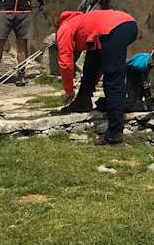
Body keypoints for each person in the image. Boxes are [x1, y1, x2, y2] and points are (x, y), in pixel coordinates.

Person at [56, 9, 139, 145]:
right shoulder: (81, 21)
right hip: (125, 24)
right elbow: (96, 64)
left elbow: (65, 63)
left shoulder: (64, 28)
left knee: (113, 80)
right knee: (92, 57)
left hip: (116, 28)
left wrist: (69, 89)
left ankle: (115, 133)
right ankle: (83, 100)